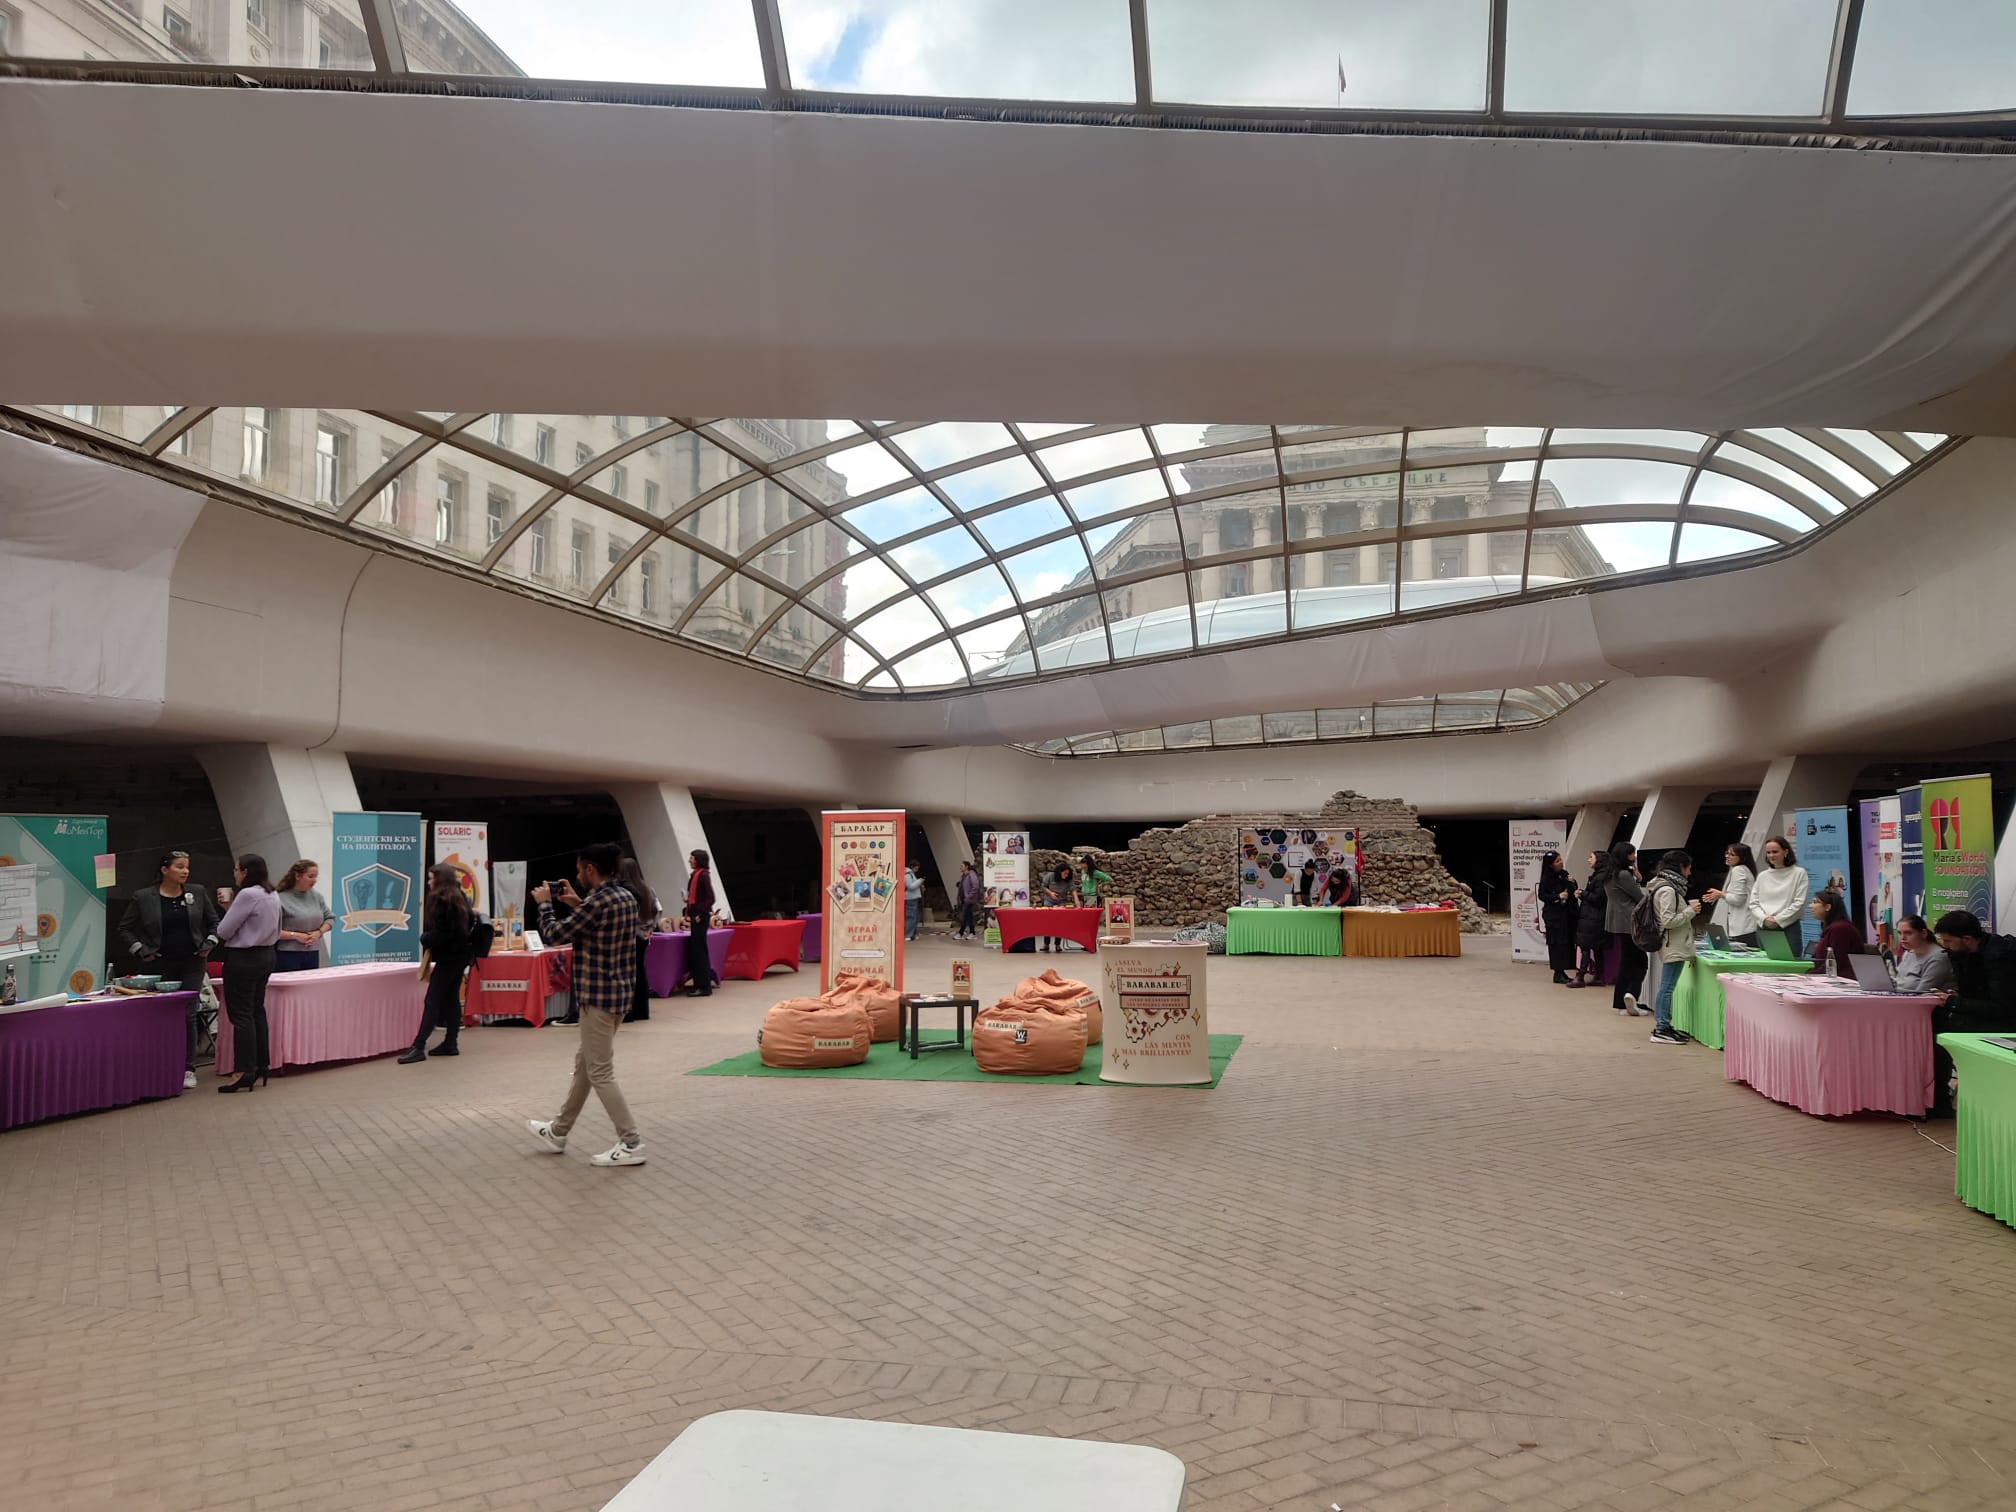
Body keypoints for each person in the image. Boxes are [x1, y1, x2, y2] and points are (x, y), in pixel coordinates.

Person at [524, 842, 646, 1166]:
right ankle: (558, 1130)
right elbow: (597, 923)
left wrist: (545, 904)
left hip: (597, 998)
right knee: (586, 1066)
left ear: (591, 869)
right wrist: (576, 902)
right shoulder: (623, 897)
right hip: (618, 996)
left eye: (580, 870)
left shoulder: (599, 902)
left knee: (600, 1071)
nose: (577, 876)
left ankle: (631, 1142)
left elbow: (554, 934)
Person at [119, 850, 221, 1089]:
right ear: (165, 870)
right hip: (158, 963)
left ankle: (188, 1068)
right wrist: (140, 949)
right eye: (179, 866)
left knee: (188, 1013)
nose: (185, 871)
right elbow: (124, 928)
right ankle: (160, 1064)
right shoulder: (143, 897)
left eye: (187, 867)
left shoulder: (197, 892)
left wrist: (210, 942)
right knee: (160, 1014)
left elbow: (214, 922)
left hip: (192, 962)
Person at [1929, 911, 2016, 1118]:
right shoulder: (1964, 954)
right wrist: (1957, 997)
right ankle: (1936, 1098)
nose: (1944, 946)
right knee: (1932, 1021)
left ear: (1967, 939)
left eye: (1948, 941)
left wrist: (1955, 1002)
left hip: (2004, 1023)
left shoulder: (1999, 959)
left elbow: (2001, 1008)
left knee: (1936, 1029)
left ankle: (1939, 1100)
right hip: (1985, 1015)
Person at [210, 853, 281, 1094]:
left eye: (236, 869)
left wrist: (228, 910)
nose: (234, 873)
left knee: (241, 1015)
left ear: (245, 872)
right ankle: (262, 1064)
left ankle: (243, 1070)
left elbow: (224, 930)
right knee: (256, 1010)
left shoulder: (247, 894)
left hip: (243, 958)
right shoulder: (271, 893)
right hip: (266, 955)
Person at [400, 862, 472, 1063]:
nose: (429, 882)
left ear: (440, 879)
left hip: (448, 957)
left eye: (431, 878)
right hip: (461, 955)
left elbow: (443, 932)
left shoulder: (441, 900)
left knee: (432, 1000)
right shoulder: (459, 896)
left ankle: (419, 1046)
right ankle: (450, 1043)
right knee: (451, 999)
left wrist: (425, 938)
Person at [1646, 849, 1701, 1044]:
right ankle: (1661, 1028)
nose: (1689, 872)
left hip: (1673, 943)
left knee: (1667, 986)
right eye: (1688, 868)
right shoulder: (1668, 890)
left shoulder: (1664, 886)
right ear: (1681, 867)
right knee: (1667, 987)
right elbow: (1668, 920)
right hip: (1673, 944)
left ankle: (1665, 1026)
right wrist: (1690, 911)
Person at [1604, 842, 1649, 1016]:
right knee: (1639, 962)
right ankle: (1630, 995)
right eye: (1632, 854)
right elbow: (1639, 897)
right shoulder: (1623, 875)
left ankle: (1622, 1001)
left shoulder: (1610, 874)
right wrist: (1639, 881)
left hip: (1617, 921)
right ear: (1625, 856)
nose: (1634, 857)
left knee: (1627, 961)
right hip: (1629, 921)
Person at [616, 856, 659, 1022]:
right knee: (640, 970)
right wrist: (650, 928)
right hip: (644, 935)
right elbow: (657, 910)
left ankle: (629, 1012)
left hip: (629, 936)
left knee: (627, 973)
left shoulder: (624, 892)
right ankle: (642, 1011)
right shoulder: (647, 889)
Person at [273, 859, 333, 973]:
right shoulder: (279, 898)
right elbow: (270, 930)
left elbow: (330, 918)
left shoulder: (317, 896)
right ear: (297, 876)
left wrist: (319, 932)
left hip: (312, 952)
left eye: (316, 877)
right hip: (287, 954)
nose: (314, 880)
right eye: (310, 876)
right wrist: (295, 936)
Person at [1748, 836, 1810, 948]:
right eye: (1768, 852)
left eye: (1775, 852)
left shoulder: (1799, 873)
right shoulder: (1762, 876)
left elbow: (1799, 902)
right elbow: (1753, 903)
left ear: (1785, 852)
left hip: (1788, 927)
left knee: (1791, 959)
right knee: (1763, 959)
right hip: (1764, 926)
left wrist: (1777, 919)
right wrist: (1764, 918)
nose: (1771, 855)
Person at [1701, 843, 1757, 947]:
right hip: (1745, 926)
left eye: (1732, 855)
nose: (1727, 856)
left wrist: (1720, 894)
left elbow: (1738, 899)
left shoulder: (1739, 870)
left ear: (1742, 858)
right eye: (1727, 853)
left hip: (1743, 926)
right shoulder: (1743, 869)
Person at [1536, 850, 1579, 984]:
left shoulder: (1564, 874)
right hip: (1554, 917)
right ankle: (1558, 972)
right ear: (1550, 865)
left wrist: (1573, 883)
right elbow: (1542, 895)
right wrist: (1557, 896)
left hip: (1566, 915)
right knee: (1556, 944)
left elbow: (1572, 889)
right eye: (1557, 861)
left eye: (1560, 860)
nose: (1561, 863)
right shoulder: (1546, 878)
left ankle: (1564, 969)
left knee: (1566, 942)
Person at [1570, 849, 1611, 988]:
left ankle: (1580, 976)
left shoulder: (1599, 878)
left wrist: (1582, 894)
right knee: (1597, 948)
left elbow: (1598, 898)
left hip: (1592, 918)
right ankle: (1598, 976)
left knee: (1585, 946)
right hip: (1594, 917)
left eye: (1591, 857)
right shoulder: (1600, 876)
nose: (1588, 860)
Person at [680, 848, 716, 998]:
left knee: (699, 951)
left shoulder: (703, 876)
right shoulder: (696, 875)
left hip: (699, 916)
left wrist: (700, 912)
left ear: (698, 860)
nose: (690, 860)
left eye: (692, 858)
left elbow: (710, 898)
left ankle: (704, 986)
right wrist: (689, 901)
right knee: (696, 950)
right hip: (696, 914)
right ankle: (699, 984)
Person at [1892, 913, 1955, 996]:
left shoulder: (1938, 957)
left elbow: (1922, 993)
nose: (1902, 938)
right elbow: (1898, 981)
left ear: (1924, 933)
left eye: (1908, 933)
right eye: (1899, 933)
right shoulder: (1908, 953)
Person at [1806, 889, 1865, 975]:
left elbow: (1835, 963)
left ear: (1827, 907)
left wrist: (1809, 975)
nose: (1810, 906)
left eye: (1815, 902)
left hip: (1843, 979)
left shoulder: (1841, 929)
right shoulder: (1831, 927)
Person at [1040, 859, 1074, 953]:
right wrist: (1050, 893)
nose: (1066, 875)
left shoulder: (1068, 878)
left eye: (1067, 874)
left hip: (1061, 902)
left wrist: (1077, 901)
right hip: (1049, 901)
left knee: (1059, 923)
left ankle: (1058, 944)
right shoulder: (1050, 876)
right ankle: (1046, 944)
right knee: (1048, 923)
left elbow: (1073, 889)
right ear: (1059, 872)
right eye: (1064, 873)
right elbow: (1043, 886)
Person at [954, 859, 982, 940]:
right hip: (965, 899)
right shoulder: (964, 876)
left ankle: (961, 933)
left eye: (962, 866)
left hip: (969, 900)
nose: (960, 867)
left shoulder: (971, 874)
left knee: (964, 916)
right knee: (969, 917)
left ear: (966, 867)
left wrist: (969, 896)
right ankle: (972, 933)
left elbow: (975, 887)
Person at [903, 862, 923, 942]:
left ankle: (912, 934)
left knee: (914, 917)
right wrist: (919, 881)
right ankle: (908, 934)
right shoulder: (908, 875)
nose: (916, 870)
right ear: (912, 866)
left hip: (913, 898)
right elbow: (910, 886)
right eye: (916, 868)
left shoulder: (910, 874)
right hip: (910, 898)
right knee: (911, 917)